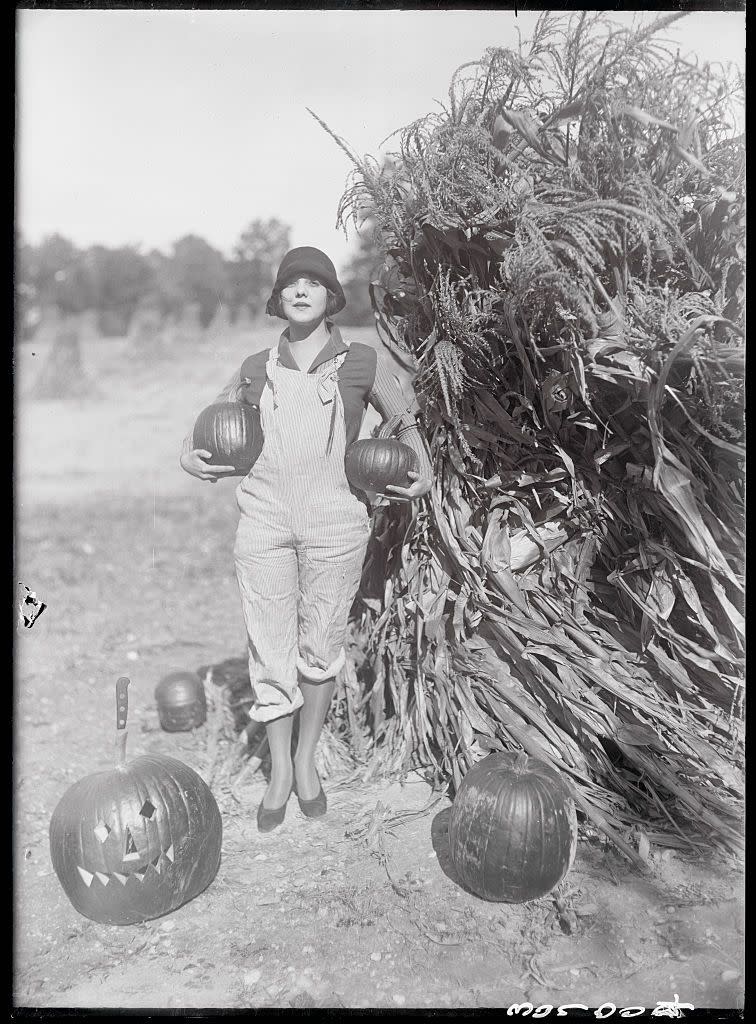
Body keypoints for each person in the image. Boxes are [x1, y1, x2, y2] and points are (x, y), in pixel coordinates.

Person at [181, 247, 432, 832]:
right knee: (270, 646)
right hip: (264, 519)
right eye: (291, 283)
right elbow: (212, 423)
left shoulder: (362, 362)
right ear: (278, 298)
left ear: (330, 298)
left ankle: (305, 757)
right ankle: (278, 771)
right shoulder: (252, 368)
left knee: (320, 644)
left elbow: (407, 416)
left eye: (313, 283)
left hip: (335, 519)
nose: (301, 290)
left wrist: (419, 471)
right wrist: (188, 459)